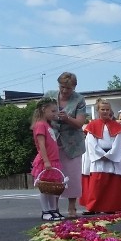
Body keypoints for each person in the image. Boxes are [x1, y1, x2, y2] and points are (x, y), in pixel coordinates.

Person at [81, 98, 121, 213]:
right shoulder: (92, 126)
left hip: (112, 157)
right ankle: (93, 207)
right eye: (102, 109)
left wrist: (110, 155)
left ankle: (110, 207)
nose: (105, 111)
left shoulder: (116, 126)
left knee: (112, 184)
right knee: (97, 184)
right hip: (98, 158)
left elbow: (118, 142)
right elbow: (91, 142)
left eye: (107, 109)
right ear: (98, 110)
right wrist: (100, 154)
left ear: (110, 111)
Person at [52, 72, 86, 218]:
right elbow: (40, 115)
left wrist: (67, 118)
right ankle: (53, 208)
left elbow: (80, 123)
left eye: (68, 88)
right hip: (53, 141)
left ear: (74, 87)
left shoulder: (79, 99)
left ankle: (72, 208)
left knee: (72, 175)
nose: (64, 91)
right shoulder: (49, 96)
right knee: (53, 175)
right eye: (62, 87)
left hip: (73, 143)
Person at [30, 97, 64, 221]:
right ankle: (45, 211)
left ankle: (53, 210)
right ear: (44, 110)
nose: (55, 114)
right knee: (45, 188)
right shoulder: (40, 125)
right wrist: (46, 161)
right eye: (53, 111)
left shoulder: (47, 125)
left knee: (52, 188)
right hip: (47, 161)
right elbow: (41, 145)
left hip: (53, 160)